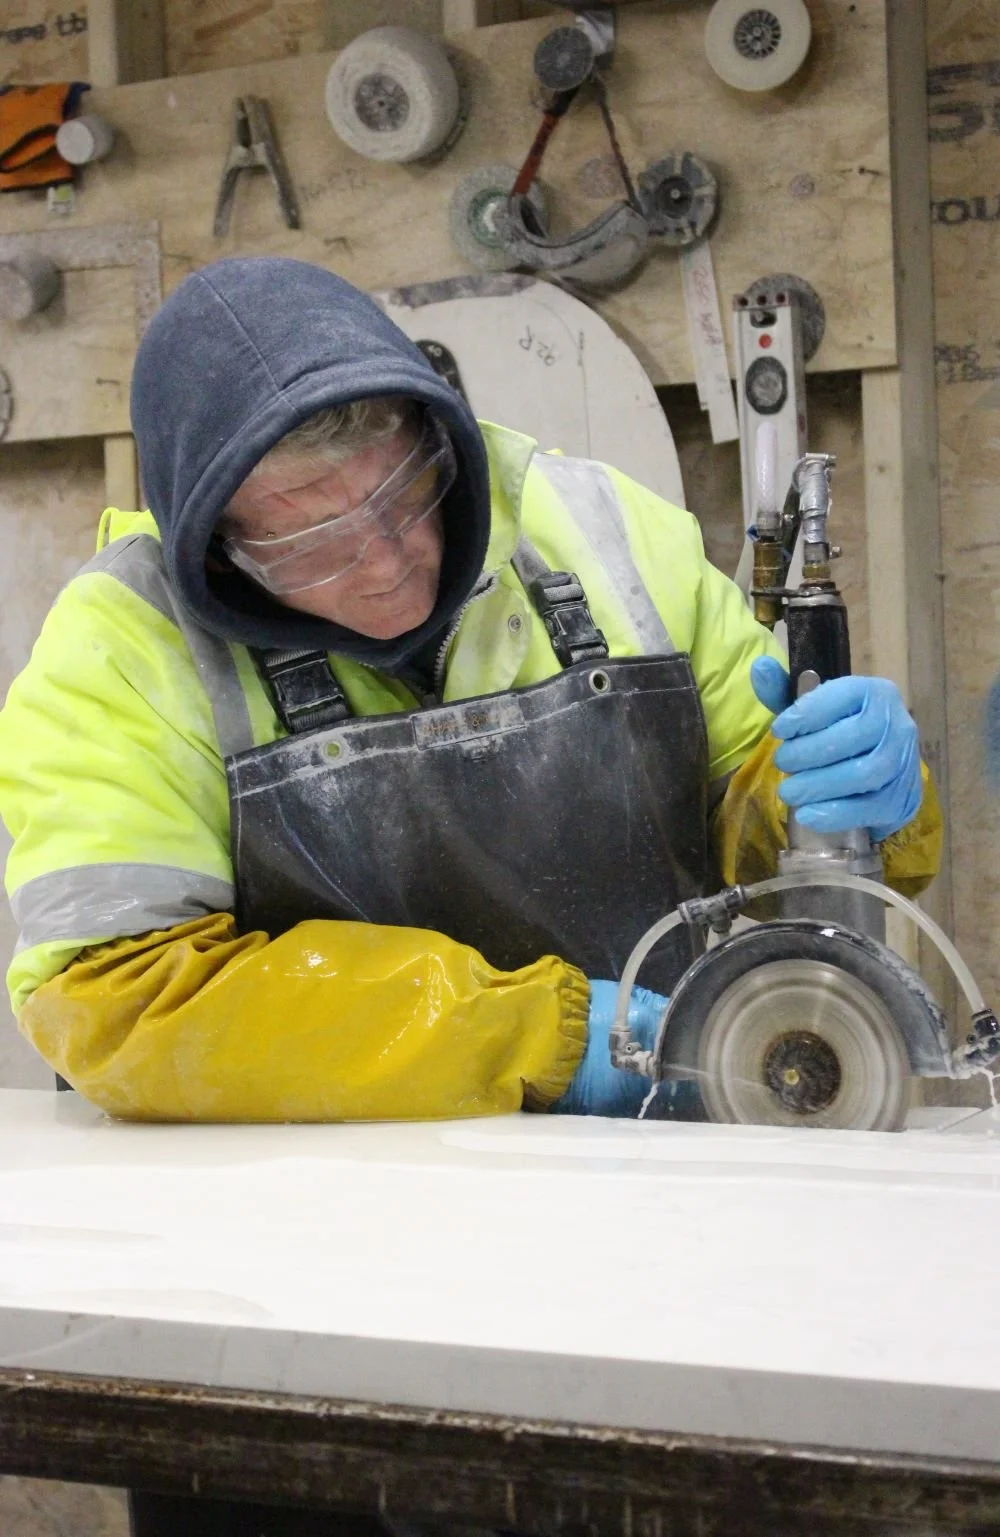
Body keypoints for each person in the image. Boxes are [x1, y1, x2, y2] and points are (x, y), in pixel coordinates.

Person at [0, 257, 941, 1123]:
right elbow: (119, 997)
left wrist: (834, 801)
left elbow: (776, 857)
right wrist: (536, 1037)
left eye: (400, 496)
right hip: (320, 1215)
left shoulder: (601, 528)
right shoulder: (121, 651)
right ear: (220, 551)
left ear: (436, 437)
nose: (382, 565)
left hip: (676, 1145)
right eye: (312, 544)